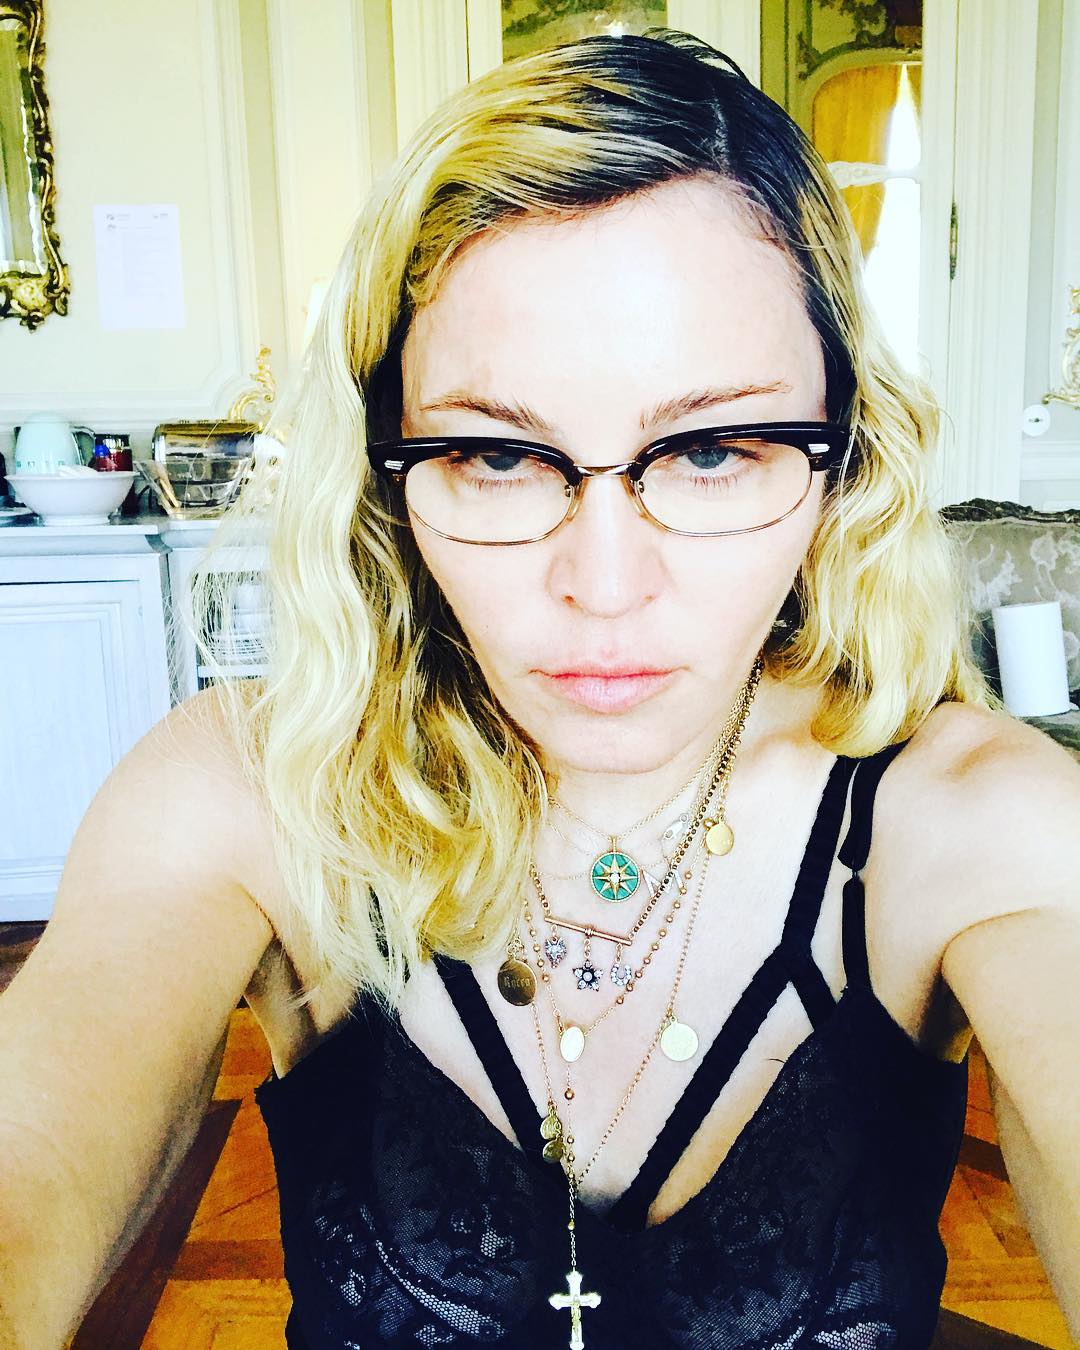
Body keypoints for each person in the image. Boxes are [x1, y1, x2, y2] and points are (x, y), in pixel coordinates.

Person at [1, 29, 1078, 1350]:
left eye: (715, 450)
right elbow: (34, 1145)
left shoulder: (976, 826)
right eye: (498, 457)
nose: (605, 585)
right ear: (388, 477)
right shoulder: (250, 792)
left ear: (844, 462)